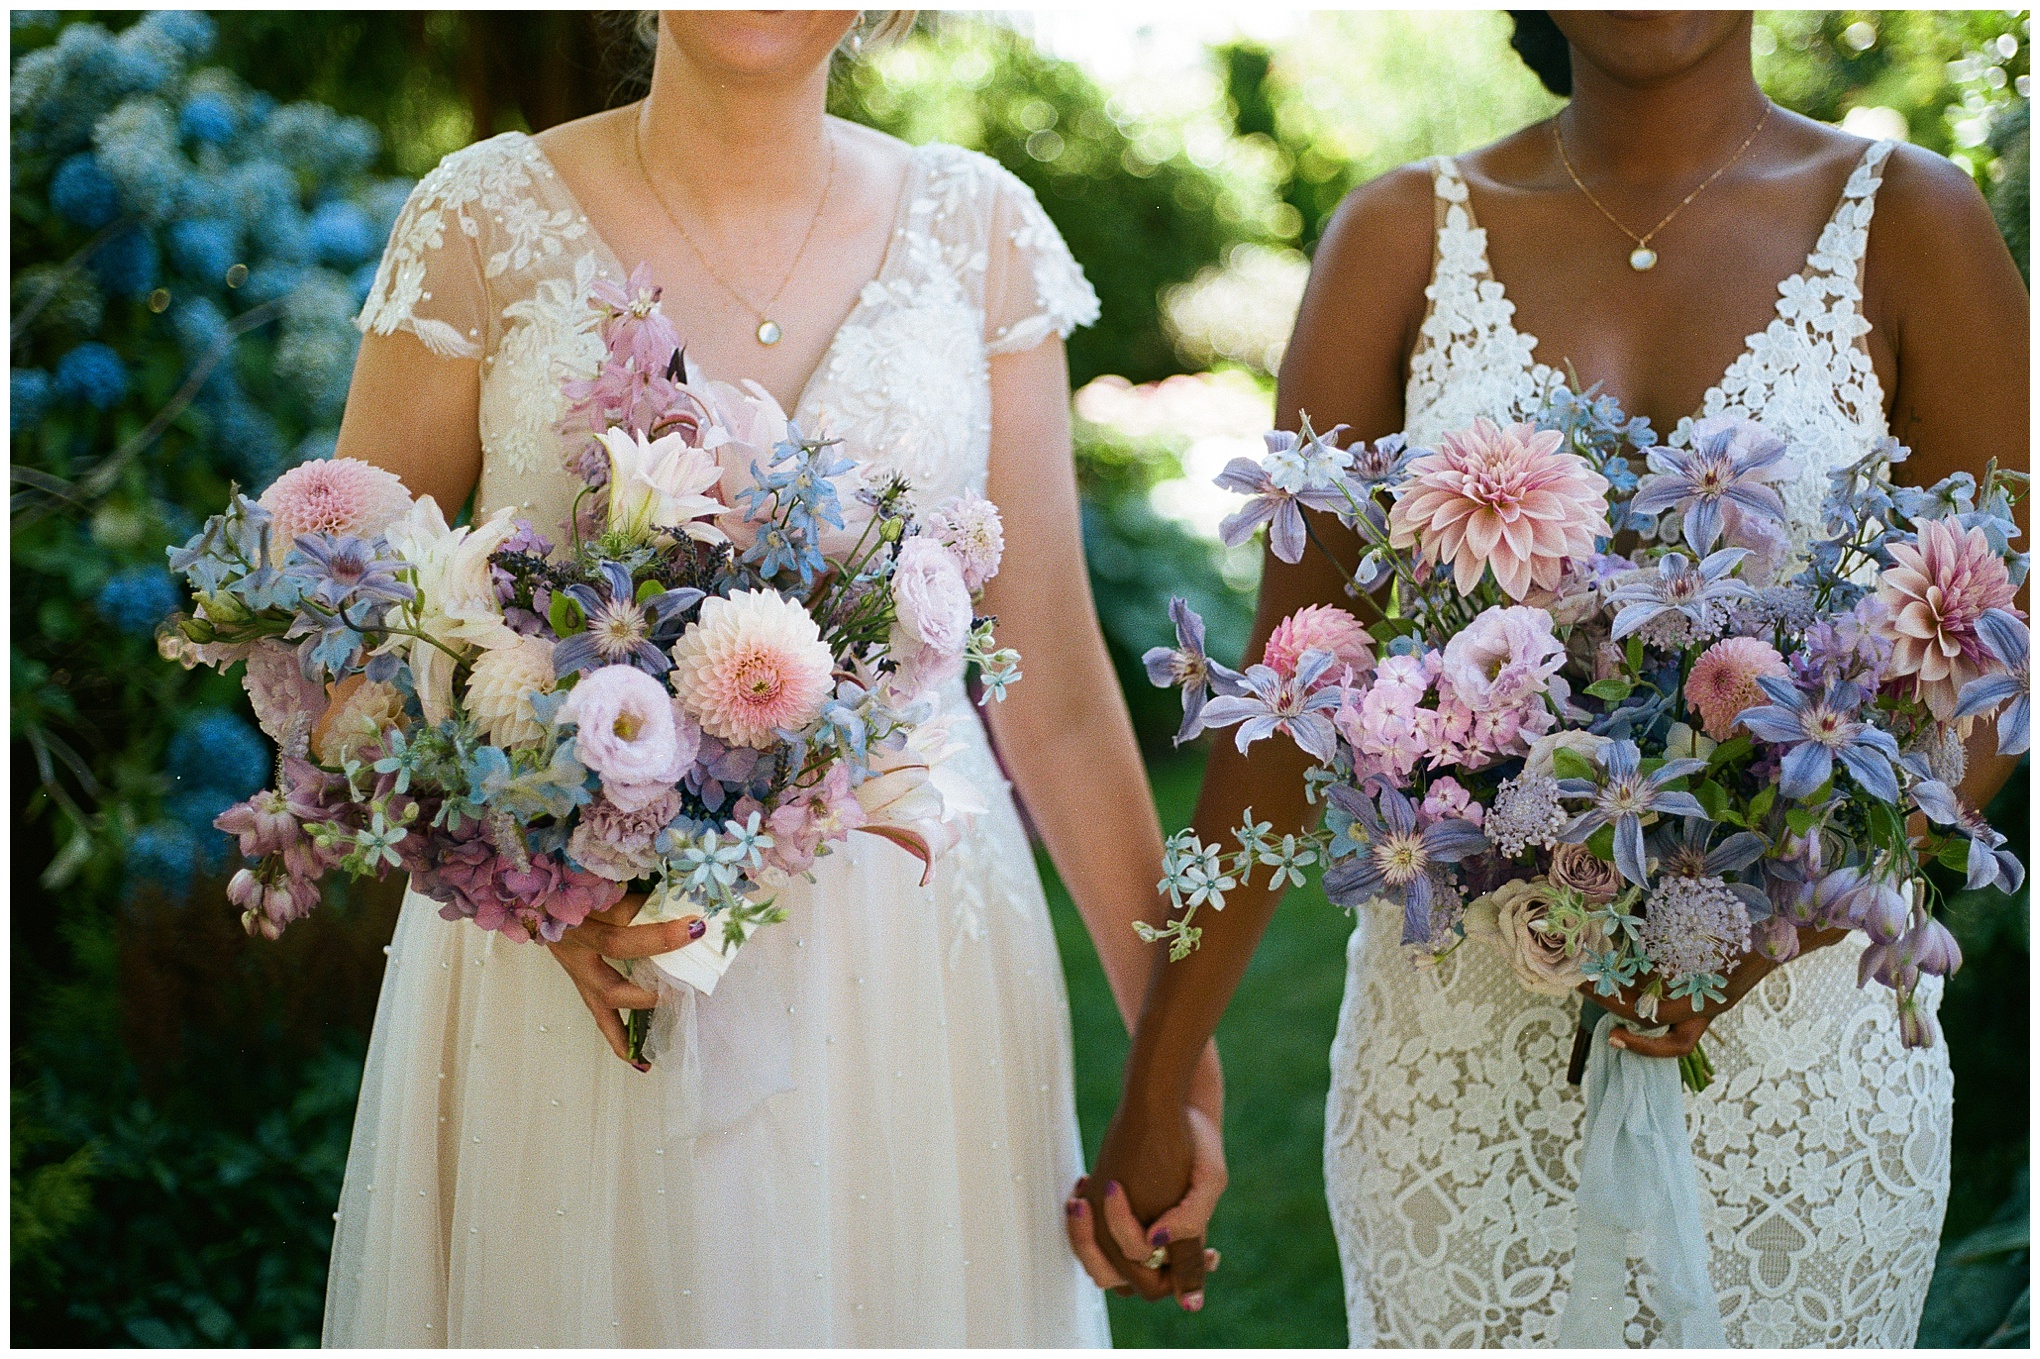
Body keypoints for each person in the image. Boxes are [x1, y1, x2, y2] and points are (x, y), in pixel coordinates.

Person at [1081, 10, 2026, 1346]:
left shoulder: (1913, 220)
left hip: (1803, 1071)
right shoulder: (1399, 236)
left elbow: (2004, 655)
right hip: (1456, 1073)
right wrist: (1159, 1077)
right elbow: (1285, 696)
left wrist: (1786, 918)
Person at [322, 10, 1220, 1345]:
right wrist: (529, 878)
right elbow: (346, 651)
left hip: (915, 988)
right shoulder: (478, 221)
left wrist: (1175, 1077)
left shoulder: (979, 233)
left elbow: (1065, 702)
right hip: (573, 990)